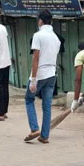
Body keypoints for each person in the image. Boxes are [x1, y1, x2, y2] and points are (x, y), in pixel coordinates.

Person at [23, 10, 61, 144]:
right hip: (52, 74)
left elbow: (36, 58)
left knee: (28, 99)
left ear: (40, 21)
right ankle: (44, 136)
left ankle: (34, 128)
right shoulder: (56, 38)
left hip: (40, 73)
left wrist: (33, 79)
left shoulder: (38, 35)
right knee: (47, 105)